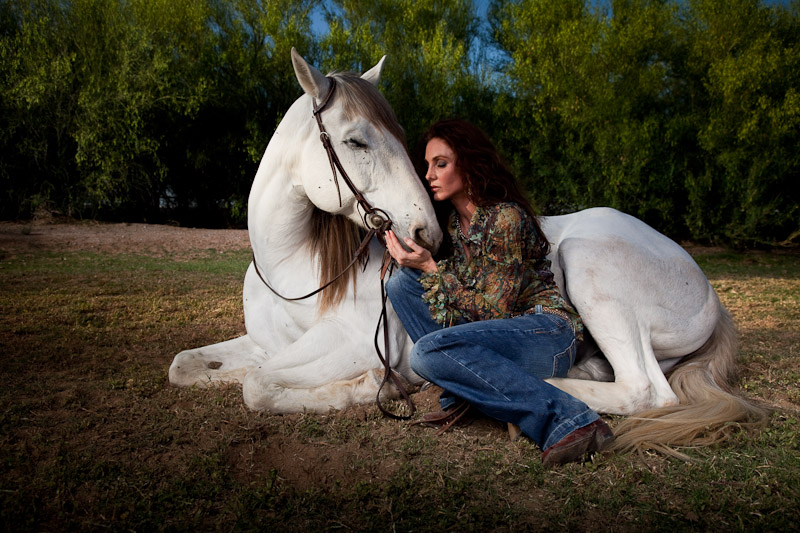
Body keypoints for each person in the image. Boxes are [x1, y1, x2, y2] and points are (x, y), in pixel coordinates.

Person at [384, 118, 613, 466]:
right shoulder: (454, 226)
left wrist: (432, 268)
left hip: (544, 334)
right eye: (427, 165)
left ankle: (569, 419)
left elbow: (496, 311)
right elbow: (458, 306)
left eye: (440, 164)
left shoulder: (506, 218)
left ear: (470, 163)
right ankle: (466, 392)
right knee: (400, 283)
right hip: (500, 342)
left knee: (425, 354)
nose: (428, 174)